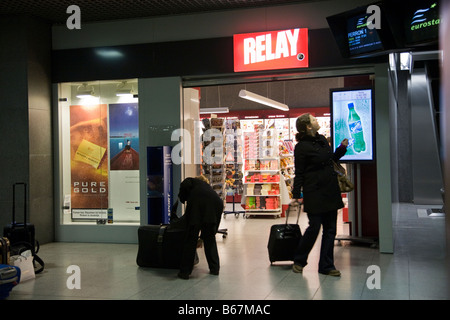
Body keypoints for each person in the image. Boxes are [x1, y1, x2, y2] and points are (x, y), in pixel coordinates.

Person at [291, 113, 348, 277]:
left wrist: (341, 149)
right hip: (314, 191)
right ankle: (299, 260)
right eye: (313, 120)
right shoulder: (301, 147)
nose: (316, 121)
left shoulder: (322, 139)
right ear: (308, 126)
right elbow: (299, 172)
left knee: (330, 230)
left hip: (330, 190)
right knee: (314, 227)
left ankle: (326, 266)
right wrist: (296, 195)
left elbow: (331, 159)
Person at [176, 176, 223, 279]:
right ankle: (215, 268)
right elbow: (216, 220)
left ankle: (185, 272)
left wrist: (183, 199)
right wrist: (204, 237)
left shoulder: (190, 182)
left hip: (198, 208)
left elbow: (184, 195)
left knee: (190, 240)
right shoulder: (207, 189)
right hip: (216, 205)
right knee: (210, 240)